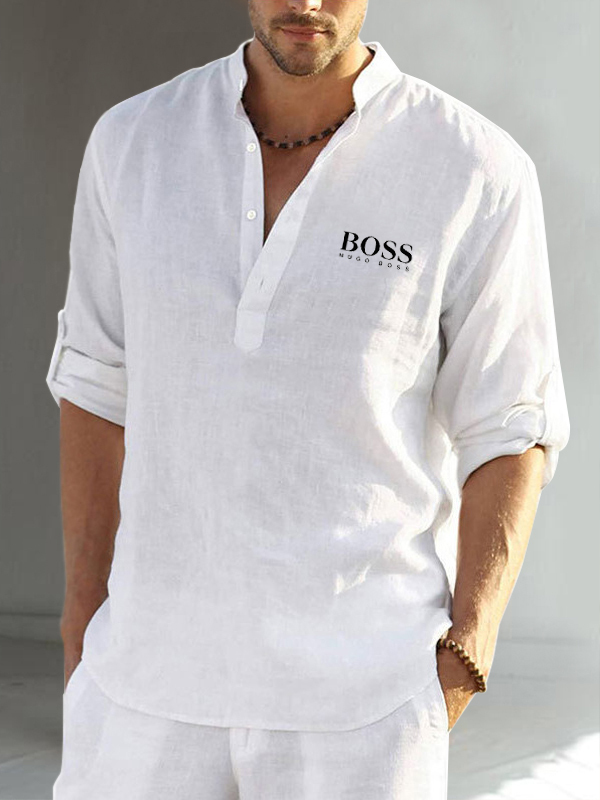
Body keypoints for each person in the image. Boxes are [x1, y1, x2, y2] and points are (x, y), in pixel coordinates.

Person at [46, 1, 570, 798]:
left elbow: (509, 425)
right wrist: (82, 626)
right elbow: (95, 383)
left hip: (365, 703)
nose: (308, 1)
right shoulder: (134, 142)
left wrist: (467, 651)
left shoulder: (475, 168)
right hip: (142, 688)